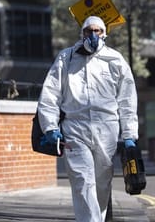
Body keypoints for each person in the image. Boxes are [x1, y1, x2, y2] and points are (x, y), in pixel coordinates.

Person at [37, 16, 138, 222]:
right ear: (82, 33)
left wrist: (129, 135)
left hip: (106, 129)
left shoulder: (115, 60)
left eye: (98, 31)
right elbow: (50, 93)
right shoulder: (67, 58)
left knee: (102, 184)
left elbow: (127, 101)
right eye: (88, 31)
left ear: (104, 33)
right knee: (83, 181)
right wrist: (50, 127)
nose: (93, 35)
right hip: (75, 127)